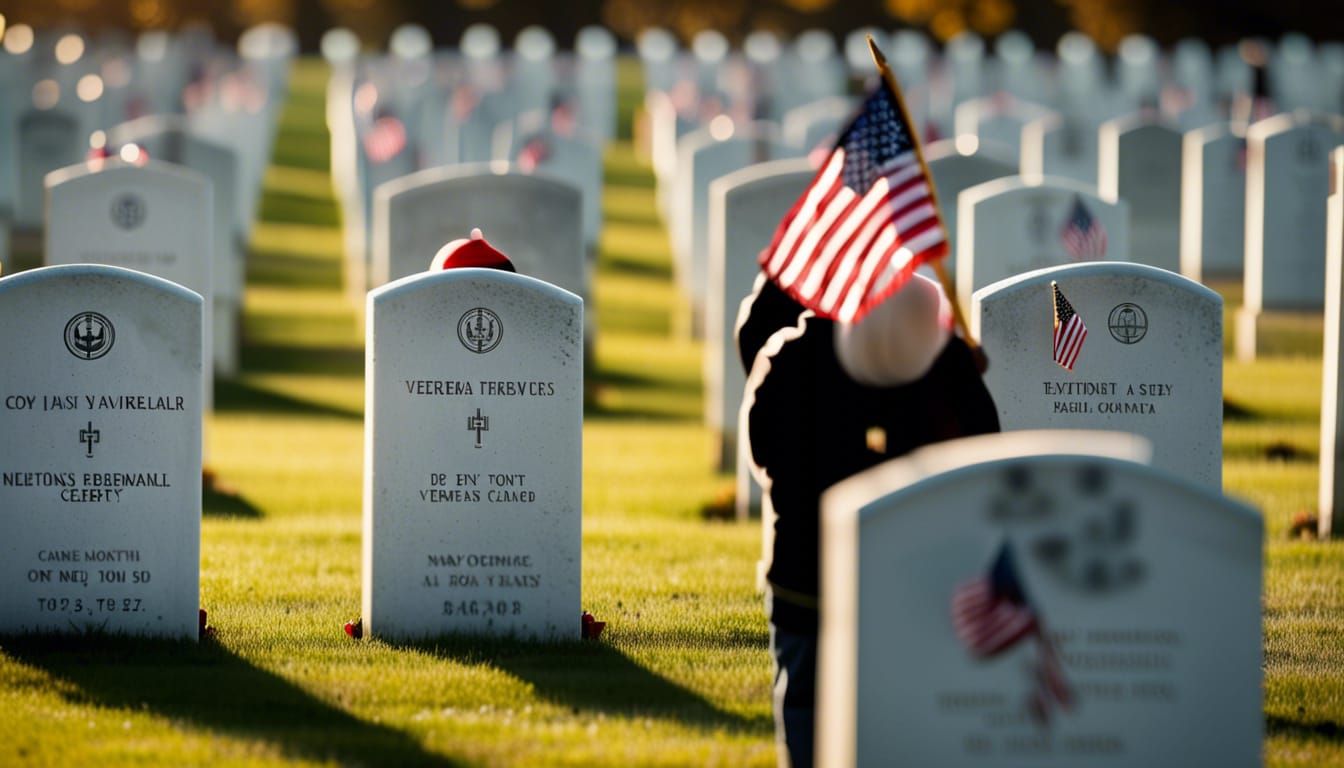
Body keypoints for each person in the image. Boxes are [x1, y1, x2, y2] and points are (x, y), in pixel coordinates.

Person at [738, 273, 1000, 768]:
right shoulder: (948, 371)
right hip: (917, 581)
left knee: (807, 710)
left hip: (803, 573)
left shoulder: (790, 357)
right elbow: (982, 459)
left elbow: (763, 453)